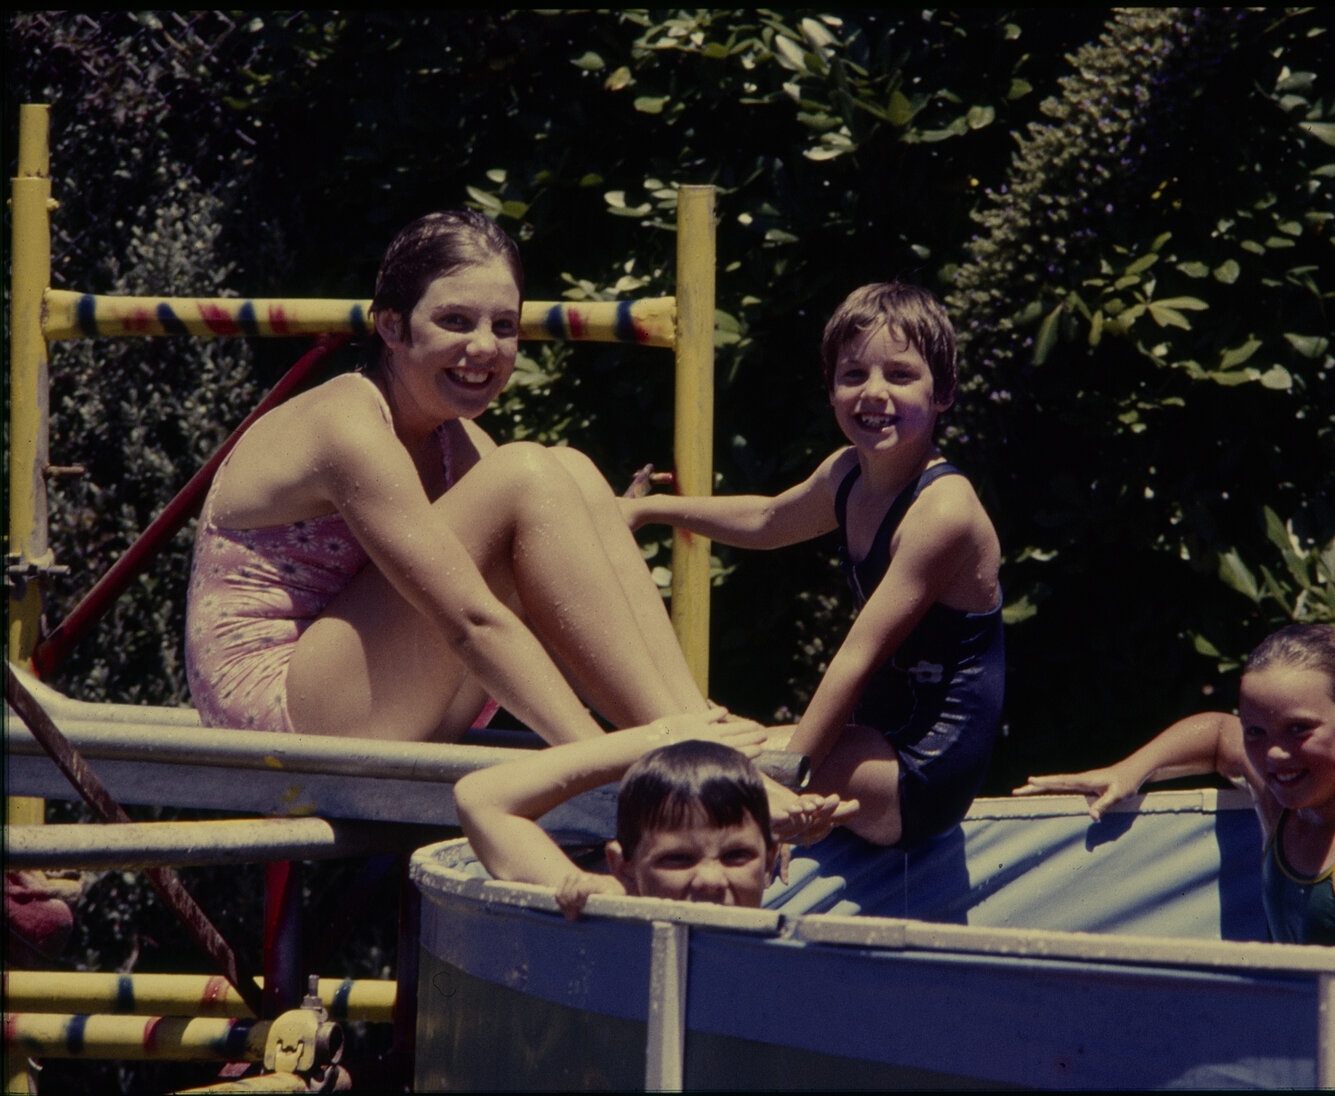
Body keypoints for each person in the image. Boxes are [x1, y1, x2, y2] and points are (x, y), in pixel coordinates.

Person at [185, 210, 710, 746]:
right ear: (391, 325)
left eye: (503, 326)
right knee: (528, 472)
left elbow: (561, 592)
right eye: (455, 321)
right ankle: (677, 744)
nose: (485, 346)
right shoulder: (347, 425)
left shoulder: (458, 443)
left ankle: (691, 719)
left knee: (570, 470)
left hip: (389, 696)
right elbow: (472, 622)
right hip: (276, 716)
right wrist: (602, 758)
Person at [621, 283, 1005, 850]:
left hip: (921, 773)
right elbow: (768, 519)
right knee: (708, 751)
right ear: (830, 390)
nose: (874, 393)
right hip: (876, 737)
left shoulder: (942, 512)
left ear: (943, 391)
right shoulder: (846, 473)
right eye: (853, 376)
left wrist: (783, 782)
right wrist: (650, 509)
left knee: (711, 782)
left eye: (900, 375)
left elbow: (856, 660)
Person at [1013, 623, 1335, 953]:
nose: (1274, 755)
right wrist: (1130, 771)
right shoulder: (1283, 803)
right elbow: (1217, 731)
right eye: (1258, 732)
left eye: (1299, 729)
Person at [456, 721, 825, 918]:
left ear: (771, 861)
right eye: (677, 859)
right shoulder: (620, 907)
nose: (711, 880)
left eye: (737, 856)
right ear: (623, 868)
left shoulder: (792, 950)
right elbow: (480, 798)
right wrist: (660, 734)